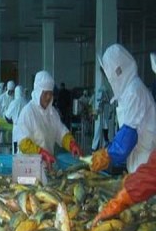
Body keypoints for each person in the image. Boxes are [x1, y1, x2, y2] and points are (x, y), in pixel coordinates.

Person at [91, 44, 156, 174]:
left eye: (108, 76)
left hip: (146, 164)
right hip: (139, 162)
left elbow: (128, 135)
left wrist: (107, 155)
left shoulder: (134, 92)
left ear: (116, 73)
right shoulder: (128, 92)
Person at [16, 70, 83, 168]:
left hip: (47, 165)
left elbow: (61, 133)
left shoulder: (52, 113)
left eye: (50, 93)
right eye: (45, 93)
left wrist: (72, 144)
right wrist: (41, 153)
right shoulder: (28, 112)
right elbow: (23, 143)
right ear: (38, 92)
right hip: (28, 168)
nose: (48, 97)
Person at [5, 85, 28, 154]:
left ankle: (16, 159)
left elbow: (7, 117)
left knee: (16, 146)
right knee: (25, 147)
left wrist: (13, 122)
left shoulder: (14, 103)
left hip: (17, 127)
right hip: (26, 128)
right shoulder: (27, 102)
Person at [91, 85, 111, 151]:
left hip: (104, 118)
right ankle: (94, 147)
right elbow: (98, 107)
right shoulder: (100, 99)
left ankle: (104, 145)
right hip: (100, 118)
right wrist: (95, 112)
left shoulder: (106, 101)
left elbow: (101, 108)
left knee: (104, 131)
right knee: (98, 133)